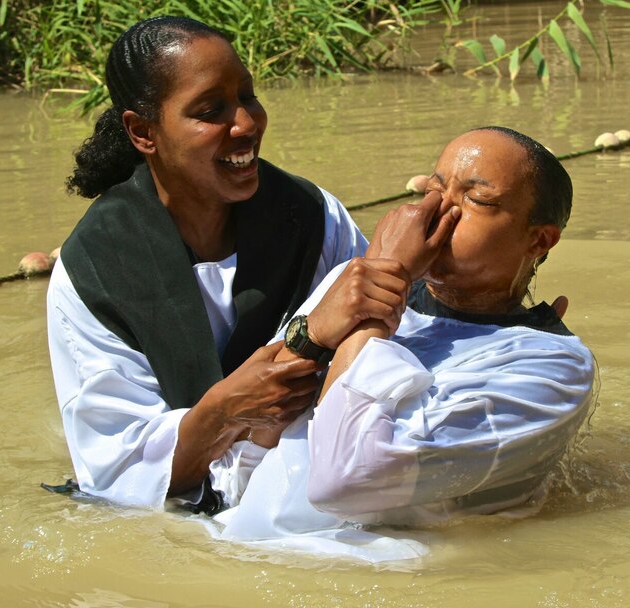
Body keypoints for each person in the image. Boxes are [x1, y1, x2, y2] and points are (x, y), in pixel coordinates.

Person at [46, 16, 414, 513]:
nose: (245, 124)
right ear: (142, 132)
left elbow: (389, 346)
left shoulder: (310, 215)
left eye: (248, 96)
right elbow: (116, 471)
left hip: (305, 482)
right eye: (210, 110)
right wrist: (221, 413)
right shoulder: (94, 268)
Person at [210, 127, 597, 561]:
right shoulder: (353, 283)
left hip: (348, 580)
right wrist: (320, 331)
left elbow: (345, 477)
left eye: (477, 201)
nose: (433, 211)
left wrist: (382, 283)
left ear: (538, 239)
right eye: (434, 188)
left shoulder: (550, 367)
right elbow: (242, 449)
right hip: (233, 548)